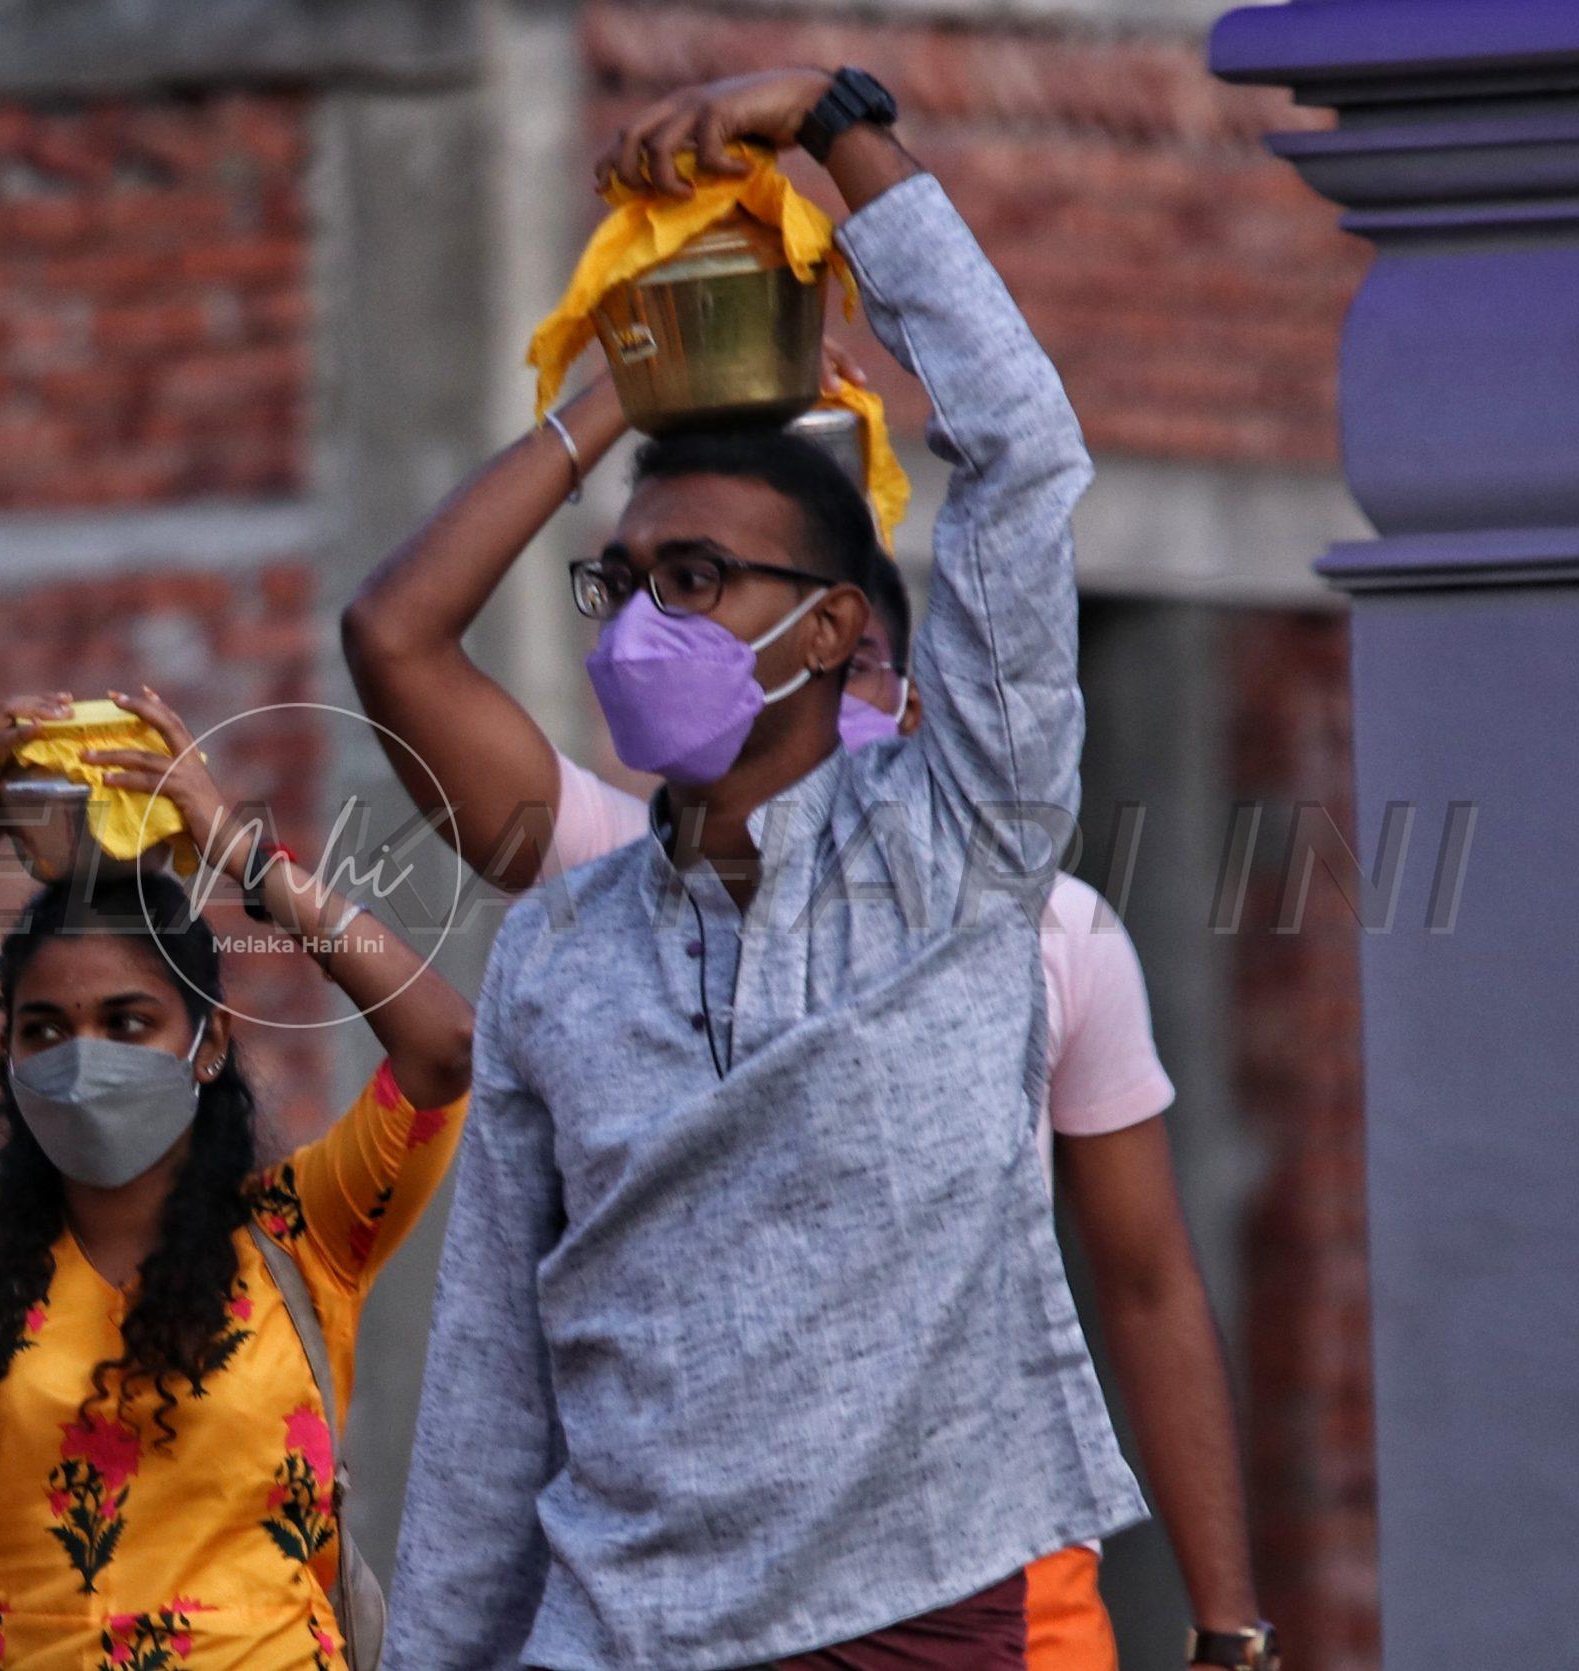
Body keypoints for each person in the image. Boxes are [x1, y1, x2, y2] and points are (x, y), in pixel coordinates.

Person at [363, 69, 1274, 1670]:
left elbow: (1023, 449)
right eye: (626, 580)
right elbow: (495, 1381)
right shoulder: (567, 940)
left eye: (699, 578)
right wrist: (617, 390)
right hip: (620, 1629)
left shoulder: (974, 854)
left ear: (839, 626)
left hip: (926, 1609)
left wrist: (840, 129)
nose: (643, 622)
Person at [0, 687, 473, 1670]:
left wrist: (239, 852)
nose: (83, 1054)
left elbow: (442, 1044)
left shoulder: (298, 1231)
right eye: (45, 1031)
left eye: (128, 1022)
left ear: (206, 1044)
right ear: (9, 1056)